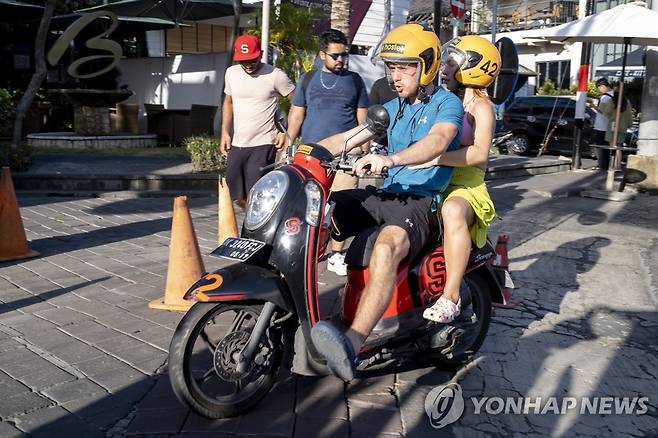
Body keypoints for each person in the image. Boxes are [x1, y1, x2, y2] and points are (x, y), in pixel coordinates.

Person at [309, 23, 464, 382]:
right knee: (320, 213)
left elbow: (439, 141)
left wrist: (391, 160)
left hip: (421, 201)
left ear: (426, 66)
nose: (395, 76)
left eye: (405, 67)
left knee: (386, 247)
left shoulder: (446, 104)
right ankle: (301, 307)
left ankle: (352, 343)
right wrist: (307, 154)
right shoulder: (392, 108)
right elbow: (352, 136)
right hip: (386, 194)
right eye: (391, 68)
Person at [419, 35, 500, 323]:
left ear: (474, 67)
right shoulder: (446, 101)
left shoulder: (482, 107)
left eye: (452, 63)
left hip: (466, 186)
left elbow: (479, 154)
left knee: (452, 210)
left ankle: (450, 296)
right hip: (436, 181)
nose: (443, 68)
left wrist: (434, 157)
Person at [287, 29, 370, 276]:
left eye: (345, 55)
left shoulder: (355, 81)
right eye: (335, 55)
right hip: (311, 155)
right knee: (309, 204)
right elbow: (297, 113)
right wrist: (289, 142)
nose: (341, 60)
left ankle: (336, 254)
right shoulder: (308, 79)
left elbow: (362, 118)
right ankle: (308, 249)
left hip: (345, 155)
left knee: (338, 205)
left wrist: (363, 152)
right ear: (322, 54)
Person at [221, 34, 295, 208]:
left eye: (252, 60)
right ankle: (256, 220)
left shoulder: (276, 75)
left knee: (259, 193)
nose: (248, 65)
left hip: (264, 144)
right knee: (234, 193)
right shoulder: (231, 73)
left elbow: (298, 103)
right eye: (243, 61)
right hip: (238, 144)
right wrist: (225, 132)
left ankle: (258, 229)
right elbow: (228, 102)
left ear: (260, 54)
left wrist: (286, 132)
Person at [599, 86, 633, 169]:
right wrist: (629, 124)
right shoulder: (627, 102)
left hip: (613, 125)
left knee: (613, 146)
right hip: (623, 126)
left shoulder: (613, 101)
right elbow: (630, 115)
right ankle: (618, 166)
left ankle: (613, 165)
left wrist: (602, 106)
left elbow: (607, 111)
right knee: (619, 147)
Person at [592, 78, 614, 171]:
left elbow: (604, 111)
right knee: (606, 147)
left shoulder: (605, 97)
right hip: (609, 125)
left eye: (599, 88)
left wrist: (593, 106)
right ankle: (605, 165)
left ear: (603, 86)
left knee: (601, 146)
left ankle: (602, 165)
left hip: (602, 126)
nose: (599, 90)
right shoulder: (614, 95)